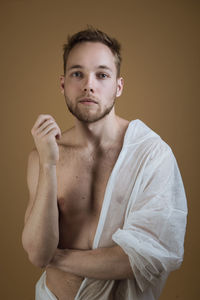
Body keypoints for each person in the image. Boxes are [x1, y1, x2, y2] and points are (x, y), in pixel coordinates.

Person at [22, 27, 188, 300]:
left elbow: (142, 258)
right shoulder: (43, 155)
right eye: (78, 74)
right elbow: (39, 251)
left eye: (101, 75)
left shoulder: (151, 154)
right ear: (63, 84)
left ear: (118, 86)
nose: (89, 85)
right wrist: (48, 164)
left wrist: (57, 258)